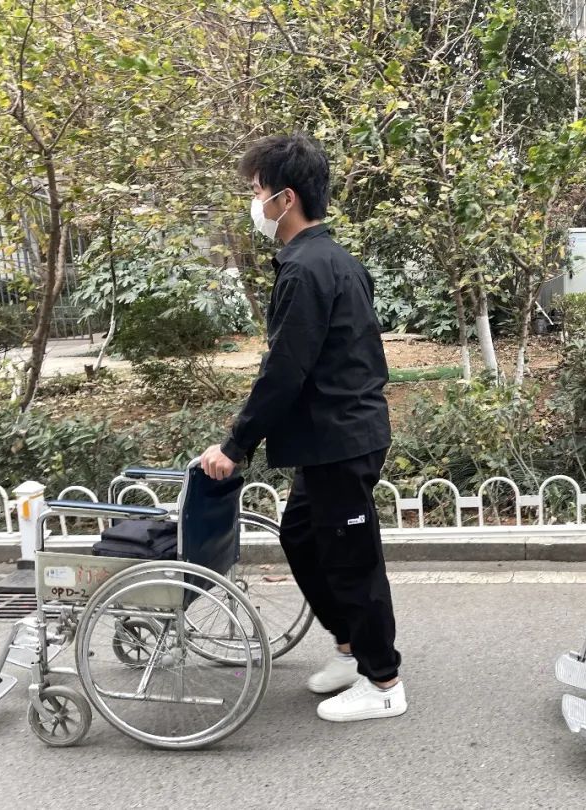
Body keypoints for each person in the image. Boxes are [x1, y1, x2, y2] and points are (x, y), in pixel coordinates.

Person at [200, 133, 406, 723]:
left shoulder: (309, 269)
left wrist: (235, 445)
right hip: (328, 436)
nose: (253, 203)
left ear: (285, 198)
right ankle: (349, 648)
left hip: (342, 436)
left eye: (256, 191)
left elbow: (285, 370)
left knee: (352, 559)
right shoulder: (327, 260)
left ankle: (383, 681)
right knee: (301, 536)